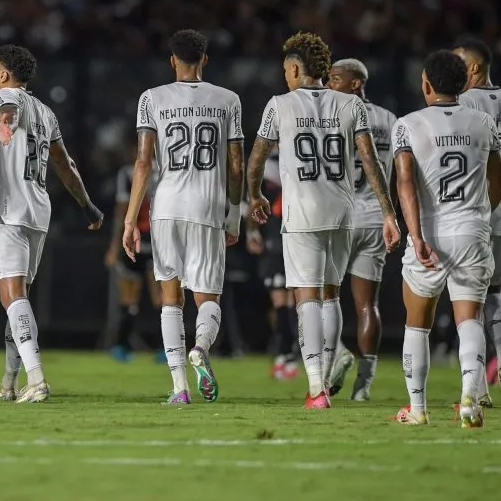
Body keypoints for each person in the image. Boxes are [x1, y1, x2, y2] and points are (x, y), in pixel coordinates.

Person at [247, 31, 400, 409]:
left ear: (297, 69)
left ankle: (316, 387)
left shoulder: (279, 105)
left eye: (286, 69)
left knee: (306, 298)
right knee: (332, 295)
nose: (285, 75)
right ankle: (328, 375)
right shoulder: (351, 105)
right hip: (343, 211)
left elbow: (255, 159)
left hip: (301, 213)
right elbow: (371, 161)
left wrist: (255, 195)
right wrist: (387, 211)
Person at [122, 29, 244, 404]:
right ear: (205, 59)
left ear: (172, 59)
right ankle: (202, 347)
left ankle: (179, 389)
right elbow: (236, 165)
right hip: (206, 206)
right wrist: (235, 214)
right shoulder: (228, 100)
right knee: (208, 297)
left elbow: (144, 162)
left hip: (166, 206)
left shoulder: (152, 98)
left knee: (169, 297)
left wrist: (130, 220)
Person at [392, 50, 501, 426]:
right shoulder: (484, 123)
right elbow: (499, 184)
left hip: (432, 232)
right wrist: (475, 216)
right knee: (469, 319)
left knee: (417, 323)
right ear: (462, 84)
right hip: (472, 230)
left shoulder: (408, 125)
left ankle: (418, 409)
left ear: (426, 83)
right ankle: (470, 401)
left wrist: (417, 234)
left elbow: (406, 185)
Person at [0, 44, 103, 403]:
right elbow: (65, 165)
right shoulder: (46, 111)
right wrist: (88, 206)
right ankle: (9, 382)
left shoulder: (6, 97)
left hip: (9, 208)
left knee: (13, 296)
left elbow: (7, 111)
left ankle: (36, 379)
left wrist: (5, 127)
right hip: (38, 211)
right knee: (17, 298)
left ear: (5, 73)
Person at [454, 38, 501, 409]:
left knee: (471, 300)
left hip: (473, 209)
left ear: (475, 68)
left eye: (457, 64)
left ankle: (479, 387)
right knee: (494, 292)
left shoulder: (462, 104)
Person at [325, 58, 398, 401]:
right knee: (368, 305)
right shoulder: (390, 120)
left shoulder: (332, 115)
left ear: (356, 83)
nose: (329, 84)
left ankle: (337, 353)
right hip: (375, 218)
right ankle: (364, 386)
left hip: (338, 218)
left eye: (336, 79)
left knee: (322, 298)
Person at [245, 150, 300, 380]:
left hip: (285, 236)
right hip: (284, 237)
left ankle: (288, 355)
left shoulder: (276, 161)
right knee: (286, 301)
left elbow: (254, 201)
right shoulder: (283, 159)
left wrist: (251, 231)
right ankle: (285, 353)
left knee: (287, 301)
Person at [104, 160, 162, 363]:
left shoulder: (129, 172)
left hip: (146, 239)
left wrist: (114, 245)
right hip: (154, 240)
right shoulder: (165, 167)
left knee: (133, 297)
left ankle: (123, 347)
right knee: (157, 297)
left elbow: (121, 209)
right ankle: (164, 348)